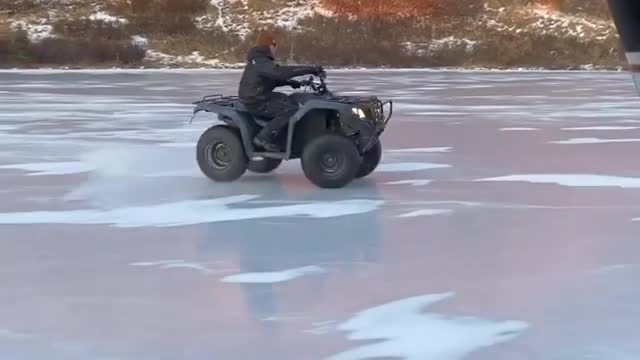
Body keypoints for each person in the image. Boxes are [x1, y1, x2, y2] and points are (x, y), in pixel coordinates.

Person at [238, 32, 324, 152]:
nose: (276, 49)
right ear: (269, 45)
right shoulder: (260, 61)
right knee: (289, 109)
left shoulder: (260, 60)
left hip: (259, 95)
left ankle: (282, 135)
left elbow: (272, 79)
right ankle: (263, 137)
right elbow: (279, 72)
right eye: (275, 45)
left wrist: (294, 83)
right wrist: (310, 69)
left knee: (289, 99)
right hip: (255, 101)